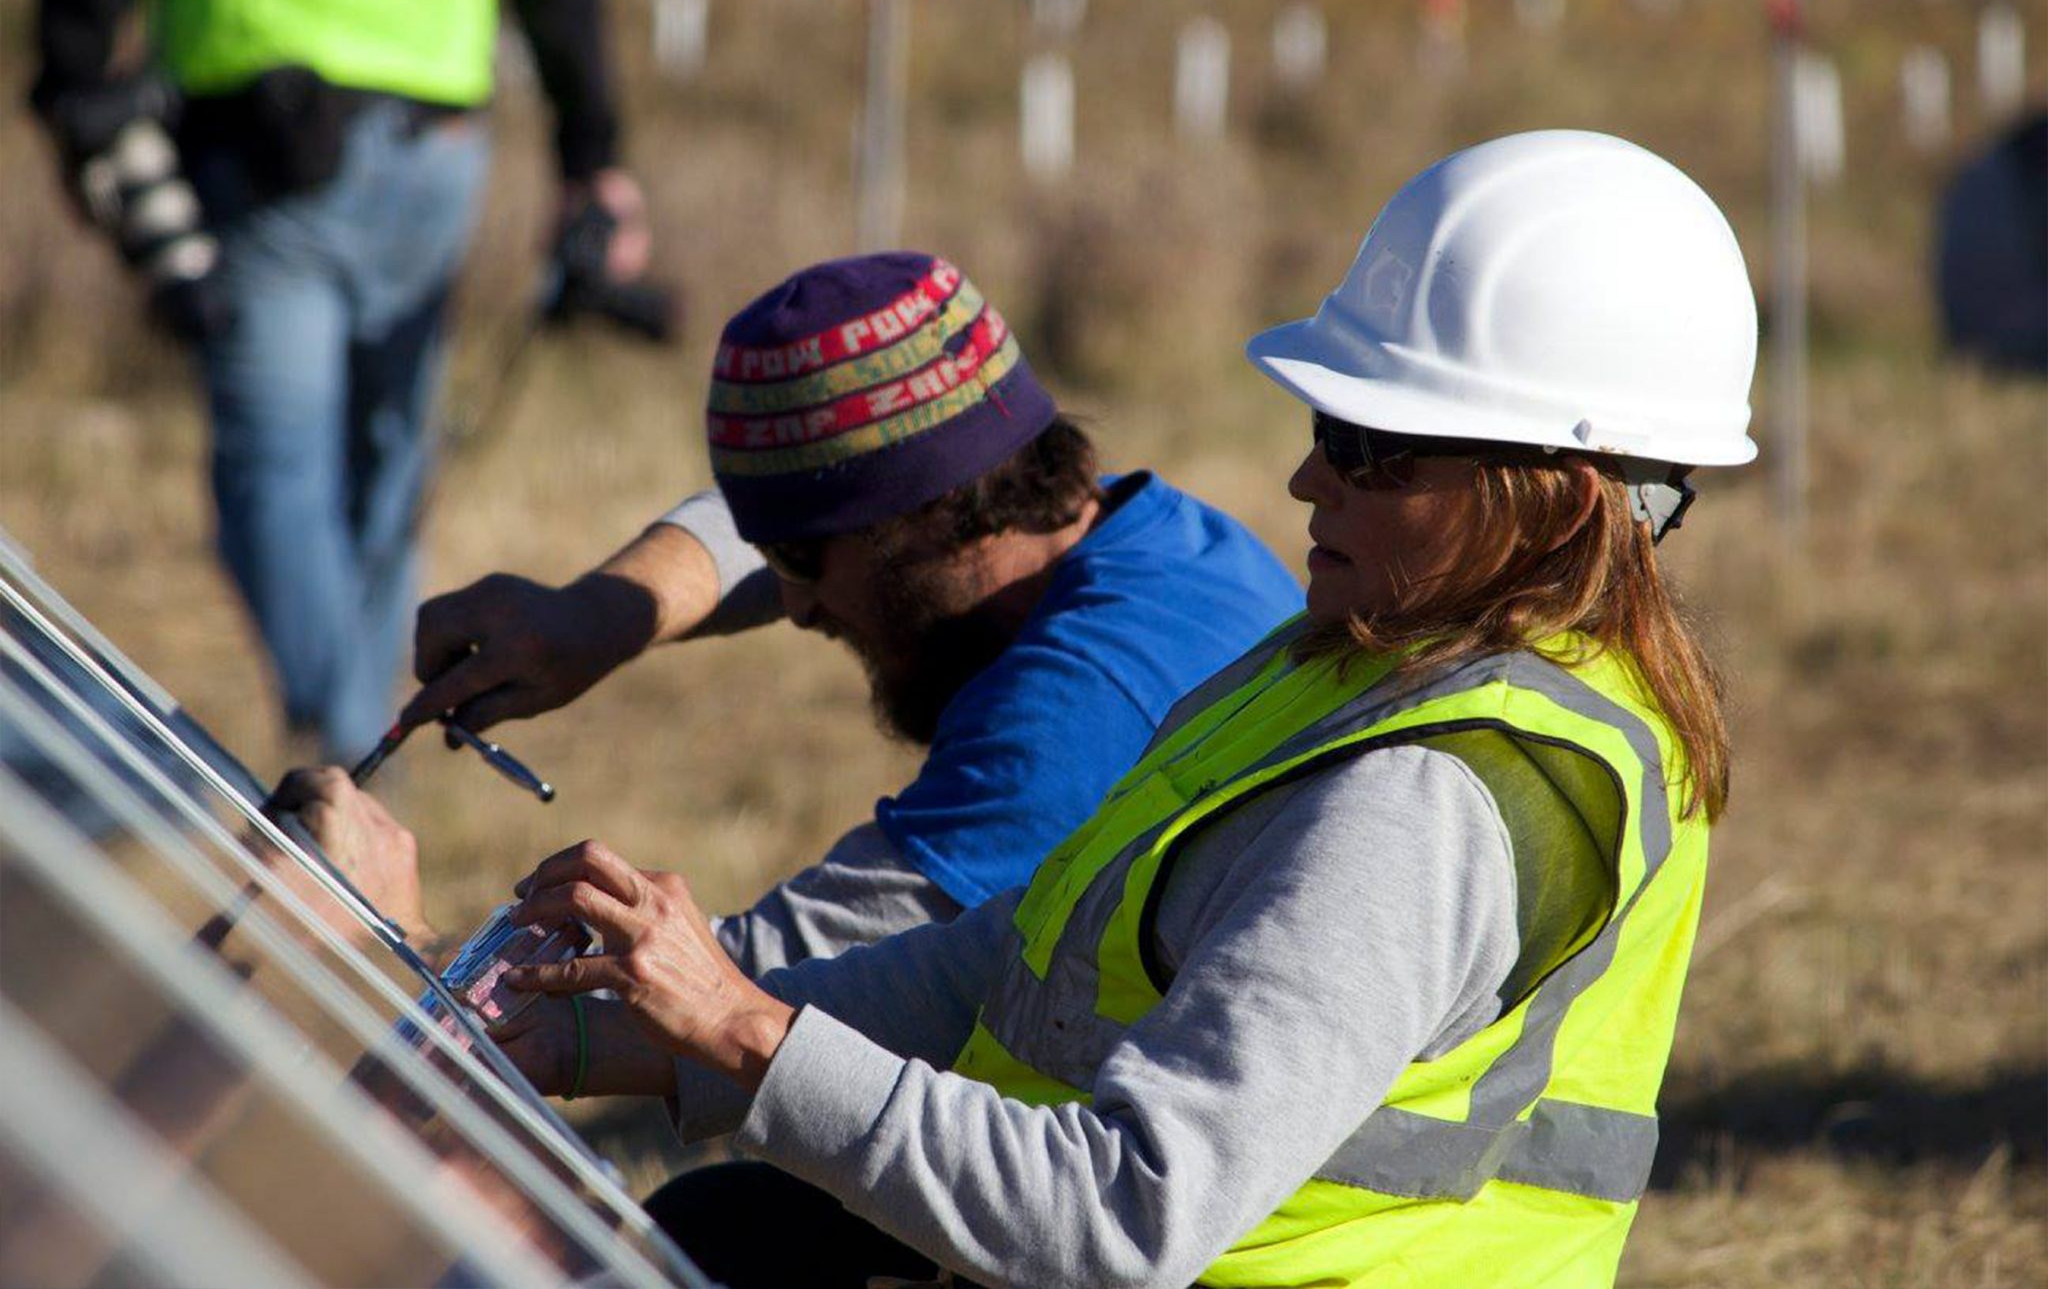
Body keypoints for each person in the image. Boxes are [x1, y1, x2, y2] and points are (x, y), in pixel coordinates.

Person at [468, 129, 1760, 1288]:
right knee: (743, 1232)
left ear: (1569, 497)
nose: (1309, 475)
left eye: (1378, 448)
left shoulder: (1426, 797)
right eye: (1327, 421)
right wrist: (610, 1040)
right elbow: (1012, 956)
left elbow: (1126, 1219)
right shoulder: (1359, 659)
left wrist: (747, 1027)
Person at [393, 250, 1304, 974]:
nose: (792, 607)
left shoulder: (1076, 715)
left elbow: (738, 997)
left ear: (928, 515)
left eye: (801, 562)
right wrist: (599, 615)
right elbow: (796, 516)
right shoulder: (1142, 536)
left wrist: (383, 936)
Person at [30, 0, 652, 761]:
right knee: (383, 465)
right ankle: (364, 743)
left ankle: (346, 750)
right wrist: (593, 155)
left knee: (277, 472)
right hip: (436, 140)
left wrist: (73, 83)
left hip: (261, 148)